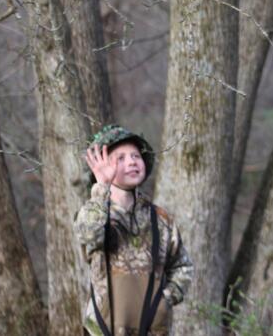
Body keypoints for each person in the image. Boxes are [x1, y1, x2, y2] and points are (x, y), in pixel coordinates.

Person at [74, 124, 193, 336]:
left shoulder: (161, 219)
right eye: (120, 158)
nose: (131, 162)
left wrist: (165, 300)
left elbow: (183, 266)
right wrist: (101, 186)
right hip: (105, 329)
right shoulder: (93, 213)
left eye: (136, 156)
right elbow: (89, 234)